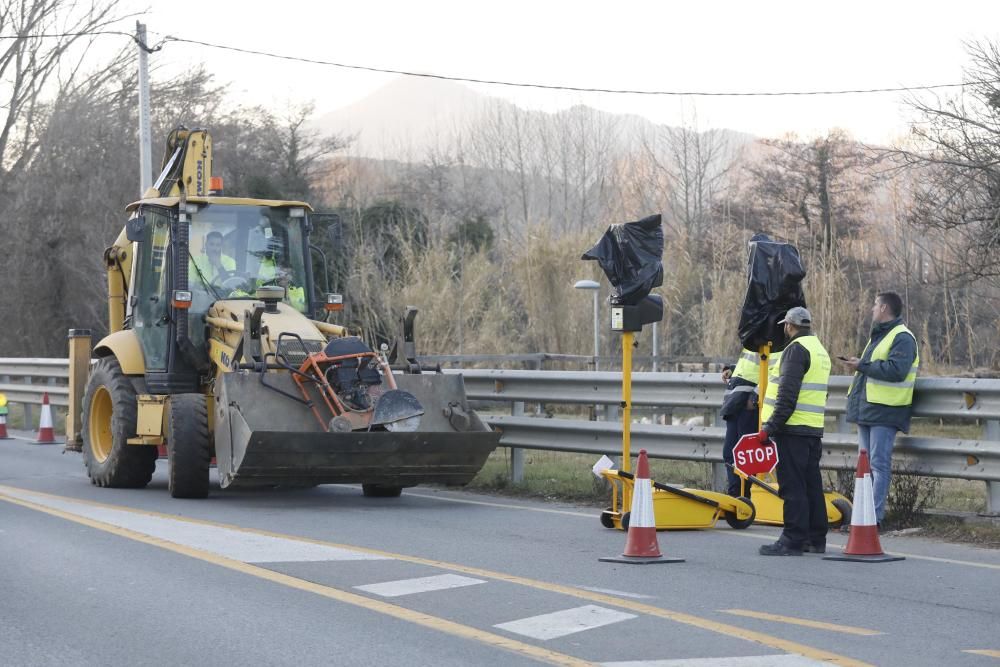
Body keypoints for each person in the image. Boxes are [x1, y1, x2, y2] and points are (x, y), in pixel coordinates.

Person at [757, 306, 831, 556]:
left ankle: (792, 539)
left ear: (789, 326)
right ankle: (815, 537)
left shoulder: (795, 350)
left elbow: (787, 395)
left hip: (792, 429)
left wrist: (771, 427)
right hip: (812, 428)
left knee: (792, 486)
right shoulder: (819, 349)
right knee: (811, 484)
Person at [840, 291, 918, 527]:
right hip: (869, 410)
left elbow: (896, 370)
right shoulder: (880, 336)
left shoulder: (902, 337)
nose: (872, 309)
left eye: (875, 305)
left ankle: (874, 519)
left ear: (884, 308)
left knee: (878, 464)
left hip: (886, 411)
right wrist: (861, 364)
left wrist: (861, 365)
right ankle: (863, 518)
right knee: (866, 467)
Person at [720, 347, 760, 497]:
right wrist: (732, 369)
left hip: (749, 405)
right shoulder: (753, 339)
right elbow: (749, 368)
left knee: (747, 455)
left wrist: (756, 396)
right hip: (736, 403)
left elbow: (773, 372)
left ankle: (746, 496)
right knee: (730, 453)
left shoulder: (771, 337)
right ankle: (735, 496)